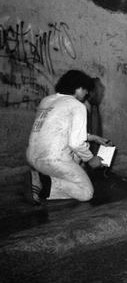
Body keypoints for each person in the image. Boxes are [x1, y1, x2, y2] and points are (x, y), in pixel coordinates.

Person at [25, 70, 111, 204]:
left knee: (77, 154)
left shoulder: (46, 100)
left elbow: (57, 130)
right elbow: (76, 143)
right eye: (85, 89)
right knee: (86, 192)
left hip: (32, 157)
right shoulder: (77, 105)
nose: (87, 93)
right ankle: (44, 183)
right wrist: (90, 159)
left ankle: (39, 177)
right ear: (77, 88)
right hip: (53, 159)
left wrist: (95, 138)